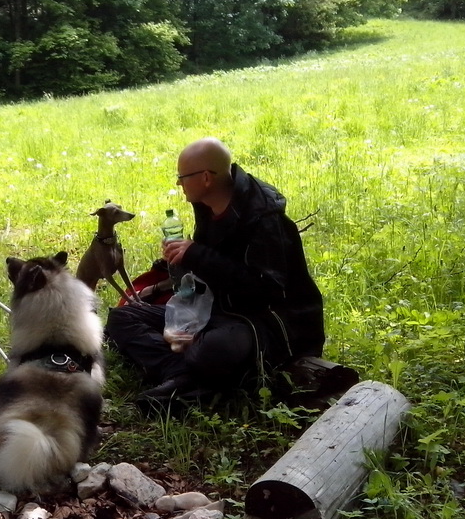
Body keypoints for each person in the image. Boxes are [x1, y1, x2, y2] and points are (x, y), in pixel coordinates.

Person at [105, 137, 325, 412]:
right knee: (123, 317)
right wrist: (178, 264)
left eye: (182, 177)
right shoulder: (209, 208)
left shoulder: (264, 219)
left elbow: (265, 289)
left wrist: (197, 254)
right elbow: (205, 275)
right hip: (218, 310)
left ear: (206, 178)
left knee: (214, 349)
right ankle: (185, 376)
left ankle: (191, 374)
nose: (179, 184)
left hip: (266, 323)